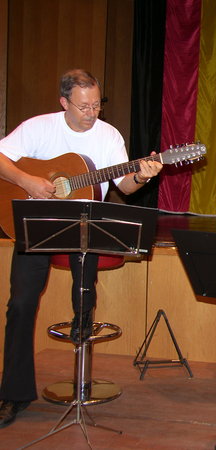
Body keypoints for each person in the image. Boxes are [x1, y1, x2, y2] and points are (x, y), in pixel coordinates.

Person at [0, 69, 163, 428]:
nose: (92, 112)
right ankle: (13, 394)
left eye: (96, 105)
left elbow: (126, 186)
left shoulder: (108, 136)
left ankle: (83, 330)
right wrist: (26, 180)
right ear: (64, 103)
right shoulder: (37, 127)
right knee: (21, 304)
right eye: (84, 106)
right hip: (37, 224)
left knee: (84, 294)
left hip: (84, 229)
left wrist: (142, 174)